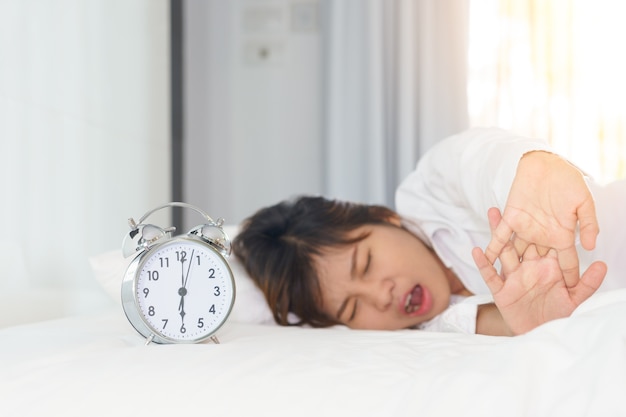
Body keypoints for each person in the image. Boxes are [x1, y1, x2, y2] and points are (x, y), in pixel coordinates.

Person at [233, 128, 625, 336]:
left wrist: (528, 170)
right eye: (352, 309)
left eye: (366, 263)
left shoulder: (433, 188)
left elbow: (483, 161)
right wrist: (534, 328)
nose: (379, 296)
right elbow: (519, 327)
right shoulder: (432, 330)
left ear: (385, 217)